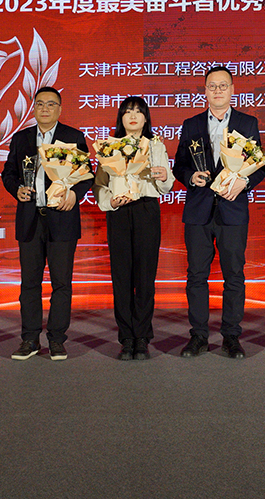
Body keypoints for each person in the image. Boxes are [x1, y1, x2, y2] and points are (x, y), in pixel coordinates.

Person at [172, 66, 265, 359]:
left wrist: (244, 182)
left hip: (232, 210)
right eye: (212, 86)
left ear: (232, 90)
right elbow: (179, 165)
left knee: (234, 275)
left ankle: (231, 336)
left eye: (223, 86)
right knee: (196, 275)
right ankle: (198, 335)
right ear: (205, 91)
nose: (217, 91)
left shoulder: (247, 123)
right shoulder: (191, 124)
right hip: (199, 211)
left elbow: (259, 167)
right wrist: (190, 177)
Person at [2, 86, 93, 361]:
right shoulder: (21, 139)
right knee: (29, 283)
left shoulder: (73, 137)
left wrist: (75, 194)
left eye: (51, 104)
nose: (45, 108)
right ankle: (30, 339)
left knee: (61, 283)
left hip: (62, 218)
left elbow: (87, 174)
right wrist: (16, 189)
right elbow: (8, 173)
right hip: (30, 219)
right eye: (40, 103)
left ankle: (56, 339)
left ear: (60, 109)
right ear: (33, 108)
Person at [93, 96, 175, 361]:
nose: (132, 116)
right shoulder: (109, 146)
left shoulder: (155, 145)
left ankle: (142, 336)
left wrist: (165, 176)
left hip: (146, 209)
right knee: (122, 276)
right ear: (121, 117)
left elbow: (166, 184)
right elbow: (99, 185)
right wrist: (110, 201)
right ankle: (126, 337)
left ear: (145, 118)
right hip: (119, 212)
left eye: (139, 112)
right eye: (127, 111)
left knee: (145, 276)